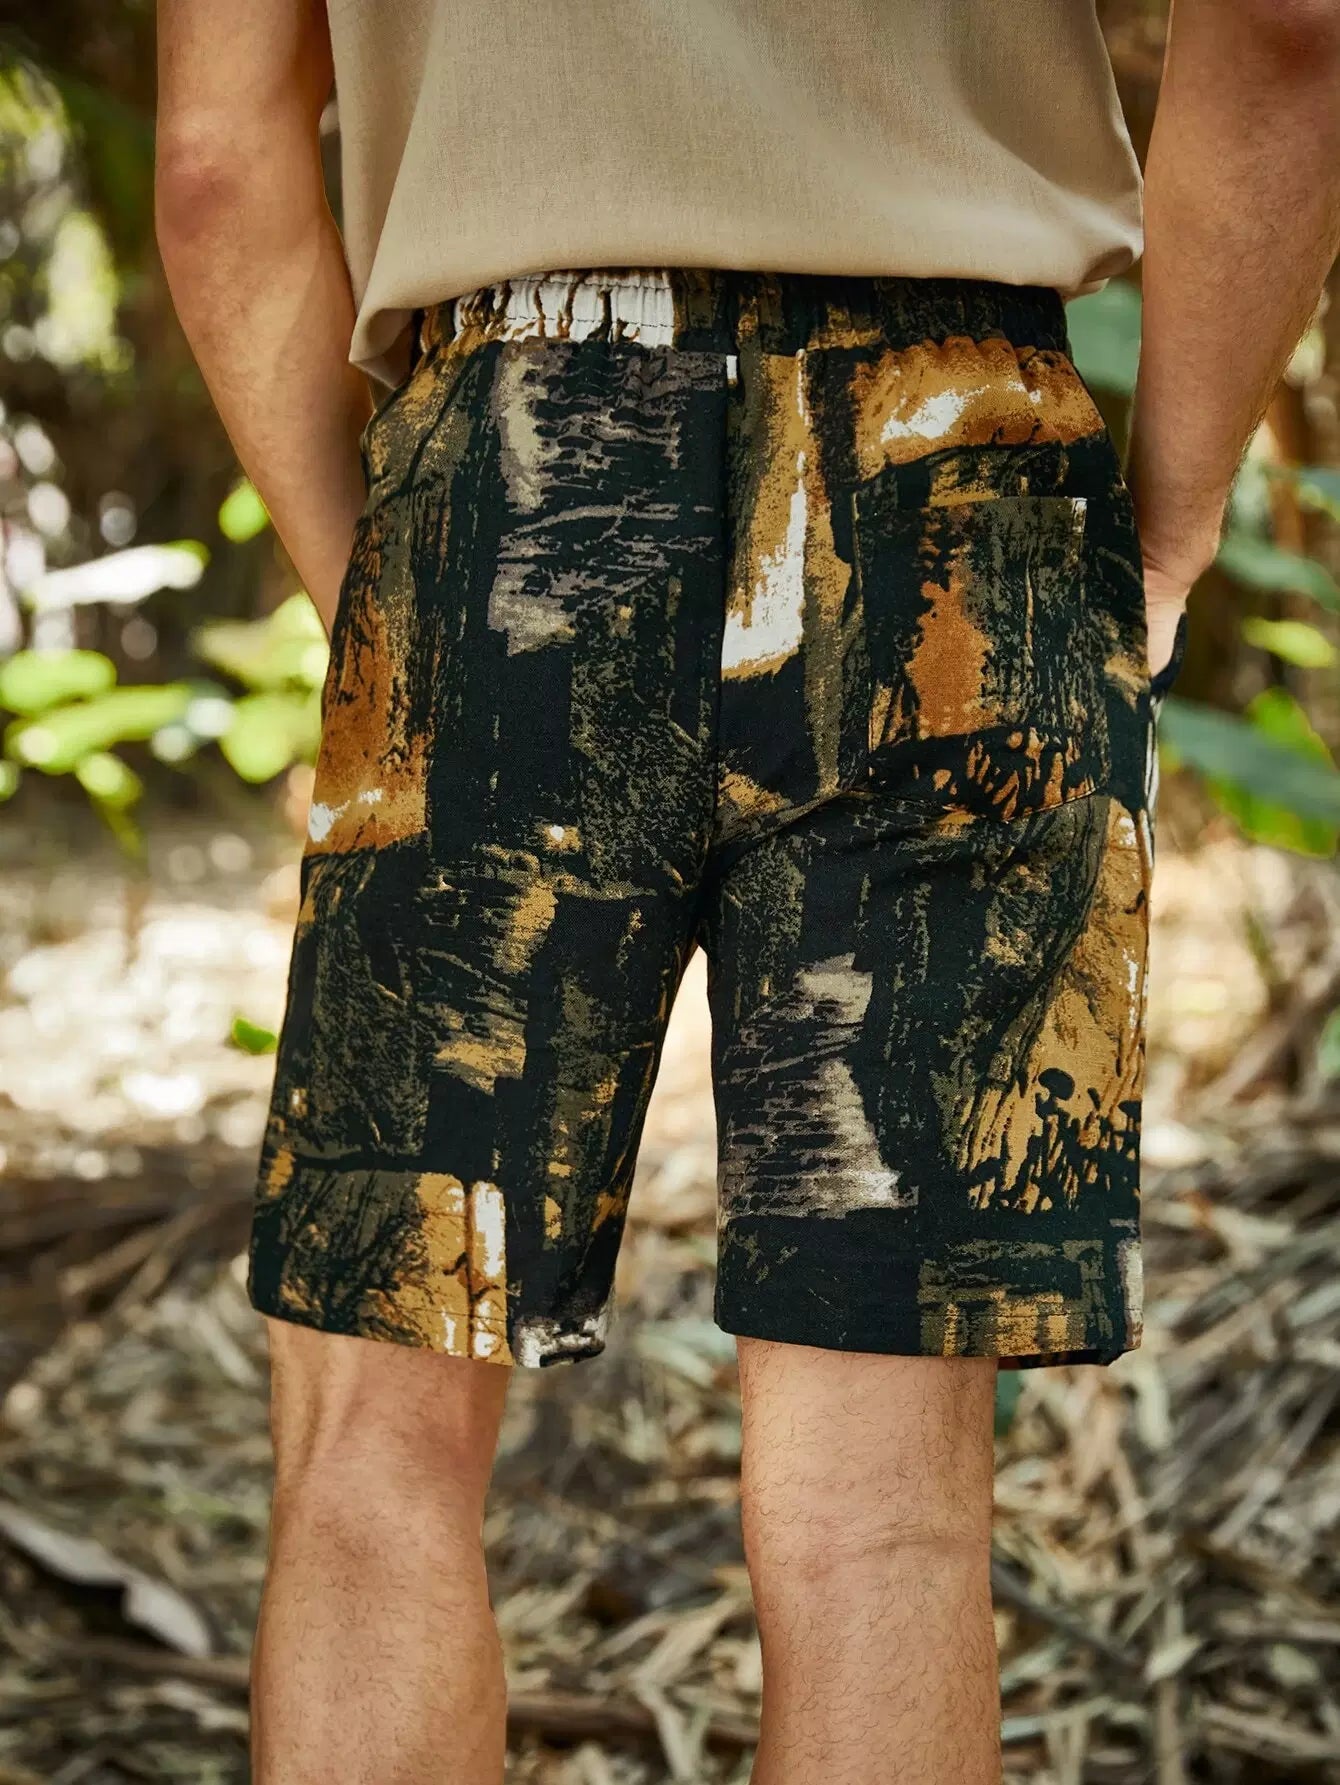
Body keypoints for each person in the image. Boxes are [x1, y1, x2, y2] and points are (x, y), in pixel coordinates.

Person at [154, 2, 1340, 1779]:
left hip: (517, 447)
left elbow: (215, 163)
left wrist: (388, 600)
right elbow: (1289, 27)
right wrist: (1162, 538)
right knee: (886, 1516)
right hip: (965, 476)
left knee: (374, 1454)